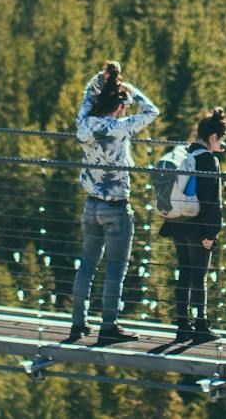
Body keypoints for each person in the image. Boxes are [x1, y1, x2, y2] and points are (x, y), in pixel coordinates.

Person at [66, 61, 160, 344]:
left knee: (87, 265)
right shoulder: (121, 127)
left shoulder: (84, 125)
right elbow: (153, 111)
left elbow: (86, 94)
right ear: (119, 106)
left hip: (91, 204)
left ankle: (78, 323)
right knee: (115, 268)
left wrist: (102, 80)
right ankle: (109, 325)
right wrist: (129, 88)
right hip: (117, 206)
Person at [160, 107, 226, 344]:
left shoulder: (184, 154)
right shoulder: (208, 159)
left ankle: (182, 325)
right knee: (200, 276)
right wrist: (212, 232)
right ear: (212, 138)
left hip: (177, 221)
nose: (223, 144)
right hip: (198, 226)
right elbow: (212, 200)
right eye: (222, 139)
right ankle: (201, 325)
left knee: (185, 272)